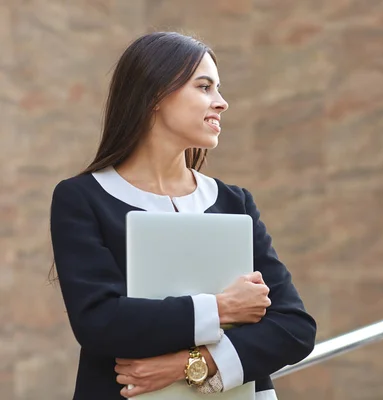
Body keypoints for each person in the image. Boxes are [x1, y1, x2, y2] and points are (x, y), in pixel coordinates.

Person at [49, 31, 317, 400]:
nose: (221, 103)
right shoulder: (81, 198)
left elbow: (293, 328)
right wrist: (222, 307)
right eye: (204, 87)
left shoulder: (234, 201)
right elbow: (99, 322)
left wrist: (193, 364)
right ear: (155, 96)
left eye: (218, 88)